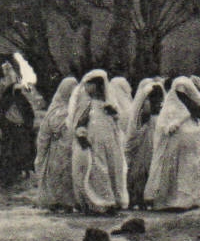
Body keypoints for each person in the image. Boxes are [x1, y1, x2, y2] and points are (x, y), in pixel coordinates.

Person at [145, 76, 200, 211]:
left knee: (188, 171)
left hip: (188, 147)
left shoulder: (194, 111)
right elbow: (163, 126)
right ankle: (173, 200)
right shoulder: (171, 104)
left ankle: (187, 199)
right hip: (174, 146)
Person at [69, 69, 129, 214]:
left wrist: (113, 114)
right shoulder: (87, 105)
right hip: (94, 144)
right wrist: (81, 135)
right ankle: (101, 202)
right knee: (97, 170)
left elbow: (117, 123)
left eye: (91, 85)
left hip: (110, 144)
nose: (88, 88)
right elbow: (79, 123)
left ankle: (113, 200)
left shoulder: (110, 105)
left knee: (112, 169)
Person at [0, 56, 37, 187]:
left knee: (19, 149)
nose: (7, 71)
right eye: (5, 69)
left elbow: (27, 110)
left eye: (9, 68)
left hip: (18, 125)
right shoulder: (4, 89)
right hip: (10, 125)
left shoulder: (18, 93)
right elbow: (0, 104)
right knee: (11, 150)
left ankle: (18, 172)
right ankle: (9, 176)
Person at [35, 76, 79, 210]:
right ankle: (56, 202)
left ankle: (69, 203)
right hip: (57, 150)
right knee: (57, 175)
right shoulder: (55, 110)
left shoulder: (76, 109)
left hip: (70, 150)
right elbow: (44, 134)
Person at [124, 78, 166, 209]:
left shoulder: (145, 104)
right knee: (144, 167)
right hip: (149, 133)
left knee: (143, 167)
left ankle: (140, 197)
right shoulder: (147, 105)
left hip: (151, 132)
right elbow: (146, 113)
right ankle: (140, 197)